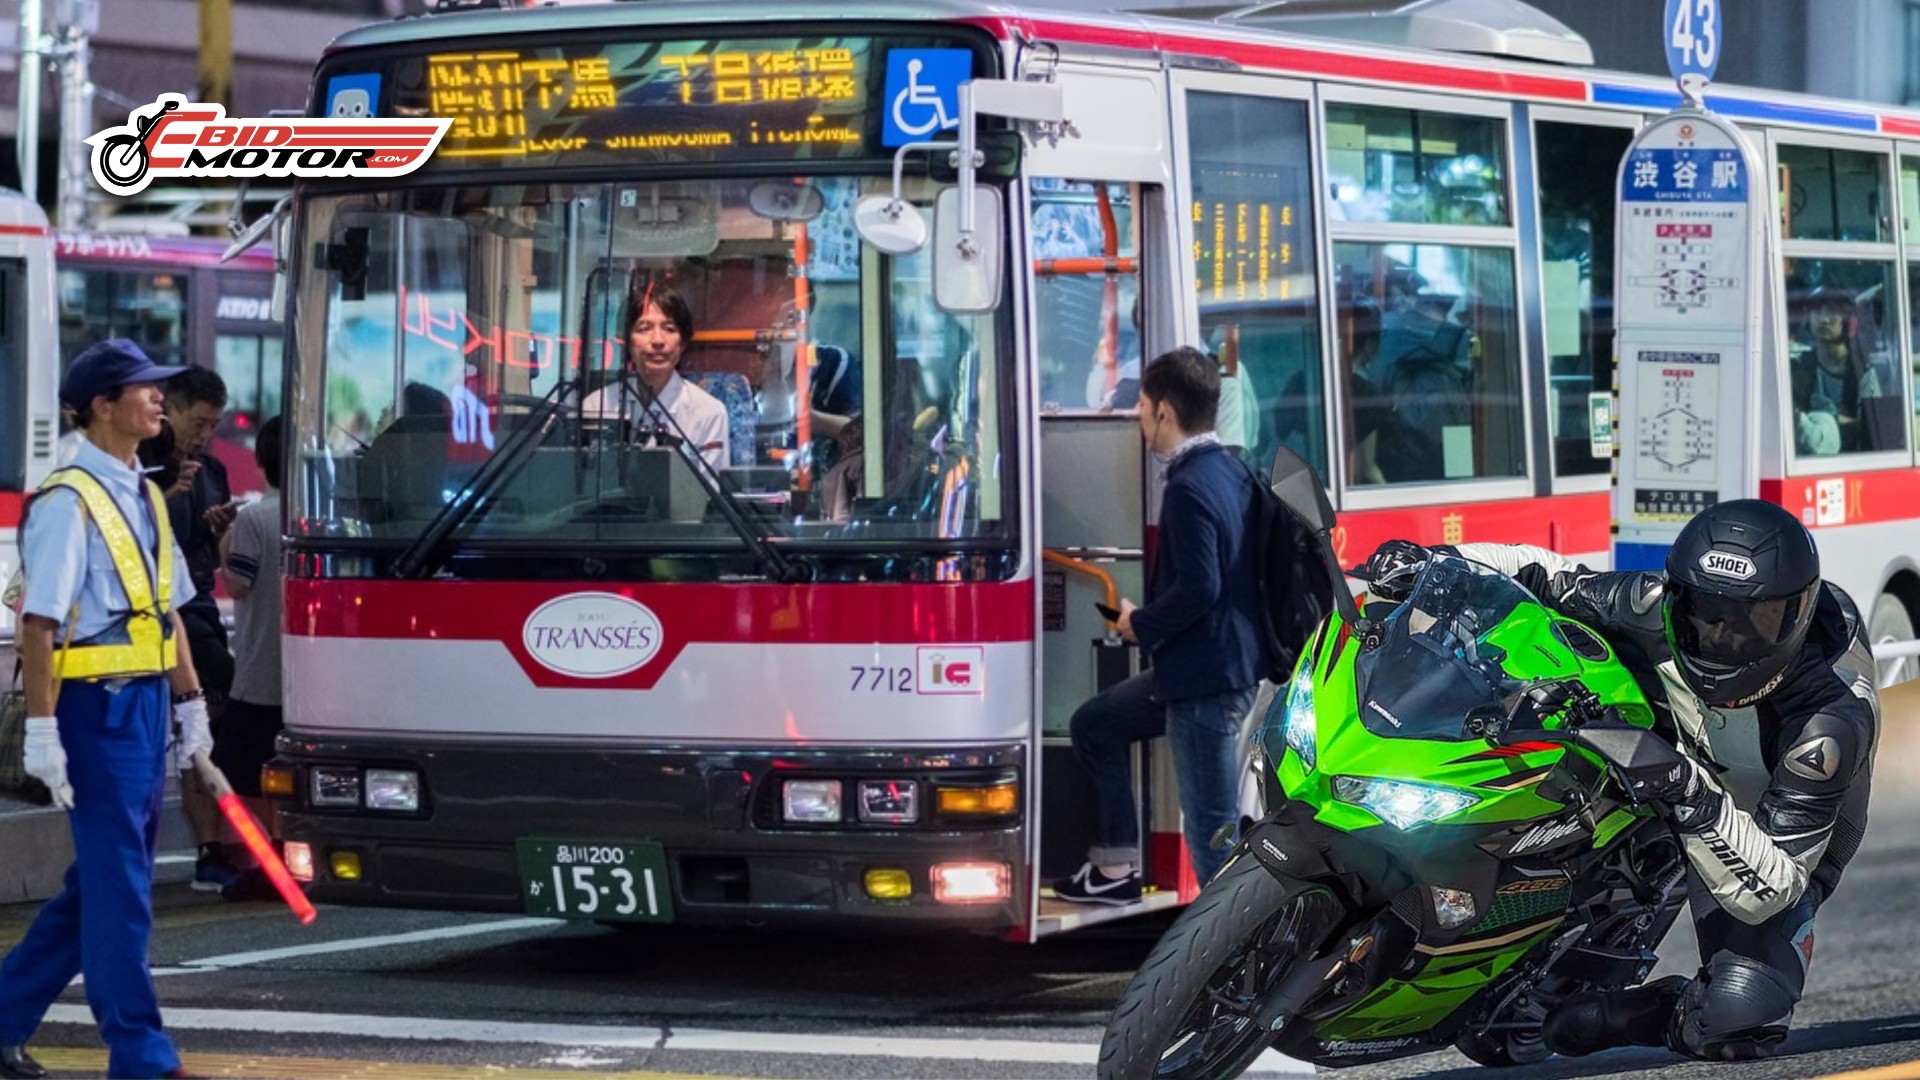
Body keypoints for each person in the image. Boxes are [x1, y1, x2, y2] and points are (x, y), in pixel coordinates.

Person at [1359, 498, 1879, 1062]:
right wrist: (1437, 562)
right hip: (1660, 750)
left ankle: (1627, 1014)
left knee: (1741, 1012)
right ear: (1677, 594)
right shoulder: (1654, 604)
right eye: (1704, 612)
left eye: (1752, 623)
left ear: (1795, 620)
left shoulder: (1829, 722)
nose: (1721, 637)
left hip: (1758, 828)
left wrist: (1687, 787)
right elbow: (1543, 572)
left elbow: (1775, 886)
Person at [2, 339, 211, 1080]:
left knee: (100, 882)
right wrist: (43, 732)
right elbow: (38, 625)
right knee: (122, 886)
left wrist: (191, 706)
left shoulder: (147, 491)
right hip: (95, 713)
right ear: (101, 405)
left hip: (147, 705)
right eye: (144, 388)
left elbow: (170, 610)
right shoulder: (66, 500)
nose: (160, 398)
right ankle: (142, 1054)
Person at [1053, 346, 1265, 904]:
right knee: (1094, 724)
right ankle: (1116, 868)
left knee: (1211, 831)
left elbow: (1201, 586)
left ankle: (1232, 954)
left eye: (1141, 406)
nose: (1138, 418)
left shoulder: (1188, 488)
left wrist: (1138, 624)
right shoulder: (1232, 470)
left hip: (1204, 682)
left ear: (1164, 411)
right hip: (1218, 668)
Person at [140, 366, 240, 893]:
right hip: (154, 615)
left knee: (201, 724)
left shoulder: (212, 470)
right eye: (198, 422)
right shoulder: (141, 468)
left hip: (194, 608)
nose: (204, 434)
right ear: (169, 410)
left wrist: (216, 528)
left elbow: (201, 556)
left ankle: (211, 848)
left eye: (214, 425)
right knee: (200, 717)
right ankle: (209, 847)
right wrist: (166, 497)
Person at [210, 416, 285, 899]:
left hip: (258, 671)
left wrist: (224, 540)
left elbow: (237, 583)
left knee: (236, 772)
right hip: (306, 674)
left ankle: (268, 861)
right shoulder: (319, 512)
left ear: (259, 462)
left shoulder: (255, 519)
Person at [579, 277, 730, 469]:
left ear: (682, 343)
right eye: (644, 328)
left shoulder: (708, 413)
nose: (658, 340)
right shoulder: (596, 406)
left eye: (669, 329)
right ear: (625, 340)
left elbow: (709, 492)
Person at [1789, 287, 1894, 455]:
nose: (1823, 320)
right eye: (1816, 312)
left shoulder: (1862, 371)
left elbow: (1876, 428)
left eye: (1832, 312)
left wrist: (1834, 422)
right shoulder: (1800, 366)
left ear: (1849, 321)